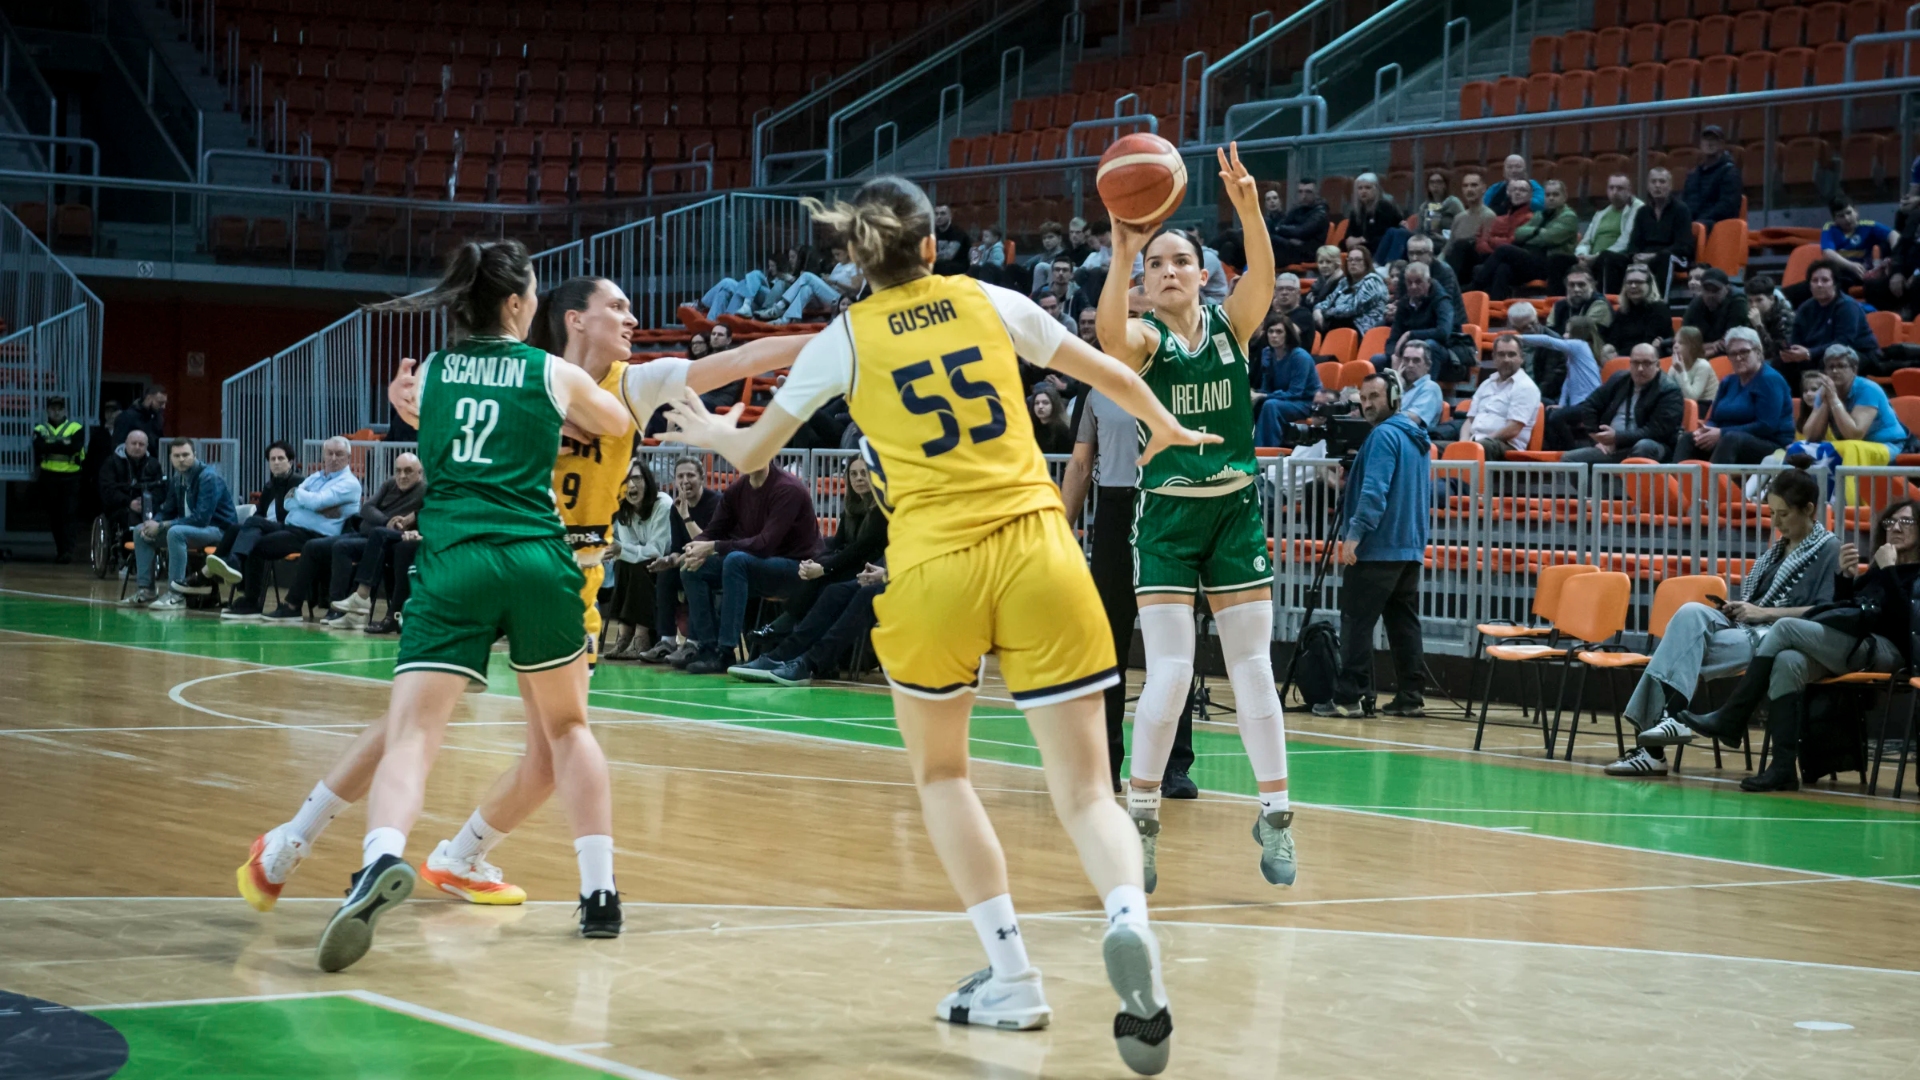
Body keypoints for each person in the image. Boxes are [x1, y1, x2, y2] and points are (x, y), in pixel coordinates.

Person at [661, 173, 1220, 1071]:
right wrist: (1169, 427)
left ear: (857, 258)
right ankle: (1129, 920)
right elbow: (1109, 372)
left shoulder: (846, 337)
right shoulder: (990, 300)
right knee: (1088, 792)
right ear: (930, 246)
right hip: (1039, 551)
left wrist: (709, 430)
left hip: (934, 568)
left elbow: (756, 450)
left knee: (943, 774)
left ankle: (1013, 974)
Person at [250, 240, 637, 974]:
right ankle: (599, 895)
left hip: (454, 560)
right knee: (568, 730)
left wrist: (409, 402)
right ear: (517, 304)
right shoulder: (550, 370)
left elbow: (418, 412)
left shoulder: (431, 372)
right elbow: (616, 423)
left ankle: (380, 858)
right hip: (538, 559)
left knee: (413, 733)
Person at [1096, 146, 1298, 908]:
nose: (1169, 271)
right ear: (1145, 285)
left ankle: (1276, 813)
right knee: (1173, 672)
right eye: (1157, 265)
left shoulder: (1230, 326)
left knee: (1253, 669)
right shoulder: (1147, 341)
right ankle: (1142, 814)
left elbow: (1265, 281)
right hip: (1170, 517)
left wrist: (1249, 211)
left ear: (1204, 273)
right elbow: (1111, 339)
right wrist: (1122, 252)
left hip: (1235, 511)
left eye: (1180, 260)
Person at [1606, 465, 1839, 776]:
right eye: (1772, 513)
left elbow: (1825, 611)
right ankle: (1668, 724)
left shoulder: (1829, 549)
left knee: (1676, 653)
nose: (1776, 522)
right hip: (1749, 625)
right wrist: (1740, 608)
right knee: (1690, 612)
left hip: (1779, 636)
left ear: (1809, 509)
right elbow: (1759, 602)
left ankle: (1654, 748)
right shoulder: (1778, 550)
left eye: (1783, 514)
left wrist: (1764, 613)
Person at [1680, 500, 1920, 791]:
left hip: (1889, 652)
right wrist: (1845, 577)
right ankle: (1782, 769)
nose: (1896, 528)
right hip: (1854, 643)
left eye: (1906, 522)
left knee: (1785, 627)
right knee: (1788, 662)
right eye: (1890, 522)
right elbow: (1848, 609)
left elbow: (1906, 620)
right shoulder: (1880, 568)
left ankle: (1732, 716)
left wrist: (1889, 570)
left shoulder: (1901, 571)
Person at [1060, 388, 1200, 795]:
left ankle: (1174, 766)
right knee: (1107, 645)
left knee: (1173, 646)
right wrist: (1060, 529)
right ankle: (1105, 762)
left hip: (1168, 509)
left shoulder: (1177, 378)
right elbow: (1081, 464)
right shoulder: (1093, 388)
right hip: (1115, 511)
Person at [1317, 372, 1432, 718]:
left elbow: (1374, 492)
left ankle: (1349, 698)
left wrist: (1354, 535)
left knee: (1356, 622)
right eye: (1363, 398)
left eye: (1374, 397)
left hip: (1378, 547)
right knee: (1403, 625)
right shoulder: (1416, 437)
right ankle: (1411, 696)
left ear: (1394, 398)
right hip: (1408, 548)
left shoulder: (1383, 435)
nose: (1367, 405)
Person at [674, 460, 822, 674]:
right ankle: (707, 648)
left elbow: (765, 544)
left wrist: (713, 547)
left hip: (799, 569)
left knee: (736, 561)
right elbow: (713, 531)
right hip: (759, 564)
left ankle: (725, 652)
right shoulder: (738, 489)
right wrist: (693, 550)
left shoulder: (788, 489)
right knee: (690, 568)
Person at [221, 437, 362, 619]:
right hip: (290, 527)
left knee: (257, 545)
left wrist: (304, 498)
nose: (334, 458)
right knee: (253, 523)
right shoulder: (316, 477)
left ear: (348, 458)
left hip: (314, 534)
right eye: (330, 453)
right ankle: (235, 562)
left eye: (339, 454)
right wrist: (313, 503)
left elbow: (315, 501)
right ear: (324, 455)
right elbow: (288, 503)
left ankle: (252, 601)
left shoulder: (349, 483)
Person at [126, 438, 237, 609]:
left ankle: (176, 594)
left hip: (218, 531)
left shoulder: (208, 477)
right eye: (177, 456)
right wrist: (154, 522)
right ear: (171, 458)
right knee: (140, 531)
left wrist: (162, 526)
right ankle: (146, 590)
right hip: (192, 530)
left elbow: (201, 519)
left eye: (185, 455)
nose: (181, 459)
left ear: (195, 455)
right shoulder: (178, 478)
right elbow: (168, 510)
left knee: (175, 532)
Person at [319, 452, 426, 629]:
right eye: (398, 471)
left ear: (420, 473)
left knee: (378, 534)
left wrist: (412, 517)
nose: (402, 476)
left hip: (403, 540)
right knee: (342, 546)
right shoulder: (390, 484)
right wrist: (387, 521)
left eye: (408, 471)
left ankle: (361, 597)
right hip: (380, 537)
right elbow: (367, 508)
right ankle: (342, 611)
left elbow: (436, 511)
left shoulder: (426, 491)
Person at [636, 457, 724, 663]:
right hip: (689, 561)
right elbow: (677, 549)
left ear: (702, 479)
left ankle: (694, 642)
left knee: (690, 567)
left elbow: (706, 544)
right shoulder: (675, 508)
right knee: (666, 573)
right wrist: (669, 560)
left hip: (716, 563)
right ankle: (667, 641)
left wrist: (686, 515)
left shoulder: (716, 502)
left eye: (690, 475)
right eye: (680, 476)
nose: (685, 481)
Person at [1673, 327, 1793, 464]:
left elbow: (1766, 426)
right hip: (1727, 441)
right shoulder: (1728, 381)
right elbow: (1714, 418)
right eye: (1732, 353)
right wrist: (1706, 431)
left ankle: (1716, 479)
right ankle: (1676, 478)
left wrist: (1721, 433)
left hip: (1770, 446)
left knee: (1731, 439)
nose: (1738, 358)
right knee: (1689, 439)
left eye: (1744, 352)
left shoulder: (1770, 380)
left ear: (1758, 352)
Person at [1559, 346, 1683, 463]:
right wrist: (1598, 437)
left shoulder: (1670, 391)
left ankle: (1627, 478)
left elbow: (1656, 432)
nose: (1640, 368)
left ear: (1657, 365)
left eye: (1646, 363)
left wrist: (1617, 437)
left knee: (1644, 446)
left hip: (1654, 446)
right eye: (1635, 363)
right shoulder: (1619, 379)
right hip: (1612, 446)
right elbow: (1590, 405)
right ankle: (1604, 480)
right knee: (1569, 460)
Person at [204, 441, 303, 587]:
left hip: (288, 529)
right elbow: (260, 512)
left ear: (291, 462)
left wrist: (255, 524)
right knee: (234, 528)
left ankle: (225, 566)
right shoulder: (270, 485)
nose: (276, 462)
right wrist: (250, 526)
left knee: (252, 532)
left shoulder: (299, 482)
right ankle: (217, 569)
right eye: (272, 459)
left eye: (281, 458)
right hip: (267, 528)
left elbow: (292, 514)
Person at [1797, 344, 1910, 468]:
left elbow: (1854, 434)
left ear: (1854, 369)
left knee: (1850, 448)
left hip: (1889, 446)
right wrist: (1825, 402)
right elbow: (1810, 436)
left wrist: (1834, 400)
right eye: (1830, 367)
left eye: (1841, 366)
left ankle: (1846, 482)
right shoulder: (1825, 391)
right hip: (1854, 447)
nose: (1835, 371)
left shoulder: (1868, 389)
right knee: (1799, 448)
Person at [602, 466, 672, 660]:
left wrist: (621, 550)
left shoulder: (663, 504)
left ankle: (642, 637)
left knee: (641, 565)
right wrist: (618, 551)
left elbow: (656, 550)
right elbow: (629, 549)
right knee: (623, 564)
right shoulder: (623, 508)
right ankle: (624, 636)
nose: (631, 485)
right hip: (641, 568)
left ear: (647, 482)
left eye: (637, 479)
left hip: (669, 564)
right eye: (625, 481)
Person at [1472, 179, 1578, 299]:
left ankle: (1476, 284)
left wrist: (1530, 237)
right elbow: (1518, 233)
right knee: (1503, 268)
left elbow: (1548, 238)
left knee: (1504, 250)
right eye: (1548, 195)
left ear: (1564, 197)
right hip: (1533, 259)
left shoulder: (1569, 217)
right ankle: (1495, 304)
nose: (1551, 198)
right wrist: (1537, 231)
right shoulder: (1540, 214)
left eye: (1555, 194)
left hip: (1551, 264)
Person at [1787, 195, 1897, 310]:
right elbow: (1827, 253)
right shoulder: (1830, 228)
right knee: (1811, 286)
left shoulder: (1868, 226)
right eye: (1841, 216)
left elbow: (1894, 235)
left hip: (1862, 274)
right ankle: (1782, 299)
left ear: (1856, 211)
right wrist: (1851, 266)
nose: (1847, 219)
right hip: (1840, 272)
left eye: (1849, 213)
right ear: (1835, 219)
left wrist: (1895, 258)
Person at [1598, 167, 1692, 296]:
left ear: (1670, 186)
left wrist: (1654, 255)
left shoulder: (1681, 210)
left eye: (1662, 181)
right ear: (1648, 186)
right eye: (1653, 182)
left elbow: (1683, 246)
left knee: (1665, 257)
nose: (1657, 185)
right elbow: (1634, 243)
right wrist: (1636, 256)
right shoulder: (1642, 211)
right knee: (1609, 257)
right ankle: (1612, 301)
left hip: (1673, 257)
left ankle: (1659, 302)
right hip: (1644, 257)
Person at [1784, 264, 1882, 374]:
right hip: (1819, 353)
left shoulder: (1847, 306)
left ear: (1835, 284)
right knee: (1782, 364)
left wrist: (1809, 353)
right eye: (1815, 281)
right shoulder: (1805, 308)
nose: (1819, 285)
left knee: (1828, 362)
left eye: (1825, 280)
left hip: (1859, 353)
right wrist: (1791, 352)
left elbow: (1843, 343)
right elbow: (1796, 337)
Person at [1461, 335, 1540, 459]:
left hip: (1505, 447)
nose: (1506, 359)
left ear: (1522, 358)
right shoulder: (1486, 384)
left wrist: (1477, 445)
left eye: (1511, 354)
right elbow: (1469, 420)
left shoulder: (1526, 387)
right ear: (1494, 357)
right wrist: (1462, 444)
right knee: (1433, 447)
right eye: (1501, 354)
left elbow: (1513, 429)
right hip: (1476, 442)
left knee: (1484, 447)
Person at [1252, 316, 1327, 447]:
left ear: (1288, 334)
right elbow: (1266, 388)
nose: (1274, 335)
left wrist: (1262, 395)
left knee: (1271, 405)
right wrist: (1254, 395)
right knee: (1250, 403)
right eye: (1271, 331)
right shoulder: (1267, 353)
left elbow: (1295, 393)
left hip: (1307, 403)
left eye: (1279, 332)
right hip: (1283, 399)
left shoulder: (1300, 357)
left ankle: (1268, 450)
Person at [1449, 179, 1531, 289]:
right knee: (1461, 245)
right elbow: (1480, 239)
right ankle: (1452, 287)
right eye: (1514, 189)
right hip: (1488, 254)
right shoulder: (1499, 218)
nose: (1517, 193)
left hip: (1506, 258)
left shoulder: (1530, 218)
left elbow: (1511, 242)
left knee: (1502, 263)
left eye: (1522, 190)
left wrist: (1491, 241)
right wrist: (1490, 244)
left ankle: (1473, 287)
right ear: (1508, 193)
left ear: (1530, 196)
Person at [32, 395, 85, 563]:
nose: (56, 411)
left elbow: (75, 447)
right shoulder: (40, 428)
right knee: (54, 516)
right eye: (53, 408)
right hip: (49, 477)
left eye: (60, 408)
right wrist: (63, 443)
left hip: (71, 477)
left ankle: (67, 551)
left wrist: (51, 445)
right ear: (47, 410)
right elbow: (39, 448)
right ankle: (61, 550)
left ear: (65, 410)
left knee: (69, 514)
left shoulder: (76, 427)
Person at [1519, 315, 1603, 415]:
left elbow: (1548, 341)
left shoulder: (1579, 345)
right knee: (1543, 406)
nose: (1564, 335)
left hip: (1588, 402)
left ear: (1578, 333)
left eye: (1567, 332)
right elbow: (1567, 383)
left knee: (1555, 418)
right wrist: (1561, 405)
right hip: (1579, 403)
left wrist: (1520, 338)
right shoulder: (1574, 356)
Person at [1573, 173, 1643, 291]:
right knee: (1560, 260)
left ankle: (1605, 299)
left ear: (1629, 191)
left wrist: (1596, 257)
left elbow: (1625, 241)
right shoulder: (1601, 213)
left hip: (1619, 258)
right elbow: (1586, 241)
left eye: (1620, 188)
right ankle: (1559, 300)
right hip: (1593, 259)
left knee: (1606, 257)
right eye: (1611, 188)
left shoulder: (1638, 209)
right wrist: (1581, 256)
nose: (1615, 192)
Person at [1384, 261, 1456, 362]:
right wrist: (1394, 355)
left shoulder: (1442, 301)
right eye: (1409, 282)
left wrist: (1410, 334)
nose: (1413, 286)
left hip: (1446, 354)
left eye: (1418, 282)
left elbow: (1443, 333)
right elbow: (1393, 339)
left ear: (1428, 282)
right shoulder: (1404, 303)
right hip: (1410, 354)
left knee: (1429, 345)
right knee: (1378, 360)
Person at [772, 244, 864, 324]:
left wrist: (836, 282)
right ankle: (786, 319)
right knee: (806, 288)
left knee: (807, 276)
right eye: (834, 255)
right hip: (830, 294)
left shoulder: (854, 266)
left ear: (847, 252)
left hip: (841, 299)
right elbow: (831, 283)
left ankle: (782, 304)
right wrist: (826, 280)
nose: (836, 258)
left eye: (838, 254)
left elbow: (856, 288)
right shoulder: (839, 265)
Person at [97, 427, 163, 537]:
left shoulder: (153, 464)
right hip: (120, 507)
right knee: (129, 518)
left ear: (146, 447)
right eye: (134, 443)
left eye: (141, 444)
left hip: (149, 506)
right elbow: (107, 490)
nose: (137, 447)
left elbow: (161, 489)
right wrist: (129, 502)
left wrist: (147, 502)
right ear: (126, 444)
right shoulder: (111, 463)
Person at [1681, 125, 1743, 229]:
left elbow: (1727, 207)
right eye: (1706, 140)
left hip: (1717, 225)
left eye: (1714, 140)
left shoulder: (1730, 173)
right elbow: (1685, 204)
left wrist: (1699, 221)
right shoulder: (1693, 175)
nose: (1709, 143)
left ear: (1722, 144)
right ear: (1701, 144)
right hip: (1695, 224)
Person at [1314, 246, 1388, 335]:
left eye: (1358, 260)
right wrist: (1318, 309)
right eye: (1350, 260)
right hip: (1341, 322)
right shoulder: (1344, 282)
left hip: (1363, 328)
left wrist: (1326, 312)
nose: (1353, 263)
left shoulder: (1373, 281)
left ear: (1366, 262)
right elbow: (1329, 300)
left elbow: (1353, 308)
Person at [1602, 266, 1671, 358]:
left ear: (1649, 285)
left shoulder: (1659, 309)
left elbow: (1648, 343)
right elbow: (1613, 340)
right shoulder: (1622, 311)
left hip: (1648, 358)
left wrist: (1618, 355)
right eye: (1629, 282)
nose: (1633, 286)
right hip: (1621, 358)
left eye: (1639, 282)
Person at [1681, 267, 1749, 355]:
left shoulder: (1738, 301)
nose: (1710, 295)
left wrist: (1703, 348)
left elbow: (1732, 341)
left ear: (1727, 289)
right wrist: (1711, 346)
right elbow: (1683, 341)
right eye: (1706, 290)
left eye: (1715, 290)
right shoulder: (1696, 304)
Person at [1344, 172, 1407, 263]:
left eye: (1368, 188)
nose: (1363, 191)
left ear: (1376, 189)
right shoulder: (1356, 212)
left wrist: (1359, 240)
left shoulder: (1384, 207)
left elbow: (1381, 238)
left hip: (1384, 254)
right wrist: (1360, 240)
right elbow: (1348, 239)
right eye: (1360, 188)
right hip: (1364, 252)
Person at [1440, 172, 1493, 278]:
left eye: (1474, 185)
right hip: (1456, 264)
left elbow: (1485, 251)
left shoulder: (1489, 216)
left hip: (1474, 269)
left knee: (1462, 245)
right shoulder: (1459, 218)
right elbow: (1447, 249)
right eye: (1465, 186)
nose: (1469, 189)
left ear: (1483, 188)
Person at [1269, 177, 1330, 267]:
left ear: (1316, 194)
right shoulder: (1297, 209)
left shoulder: (1320, 212)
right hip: (1293, 248)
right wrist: (1289, 236)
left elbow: (1302, 231)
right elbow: (1281, 225)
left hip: (1308, 254)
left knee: (1270, 240)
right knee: (1265, 235)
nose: (1303, 196)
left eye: (1308, 192)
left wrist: (1280, 229)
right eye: (1300, 192)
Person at [1393, 340, 1446, 433]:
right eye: (1406, 360)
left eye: (1416, 360)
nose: (1410, 365)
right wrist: (1396, 386)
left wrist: (1384, 414)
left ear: (1428, 365)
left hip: (1412, 437)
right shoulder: (1399, 385)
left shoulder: (1430, 388)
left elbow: (1413, 419)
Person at [1406, 170, 1463, 243]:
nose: (1435, 185)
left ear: (1445, 185)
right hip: (1428, 242)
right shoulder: (1424, 206)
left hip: (1449, 242)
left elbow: (1463, 225)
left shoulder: (1453, 203)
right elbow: (1419, 230)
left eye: (1439, 182)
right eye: (1432, 182)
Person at [1032, 254, 1092, 322]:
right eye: (1057, 270)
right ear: (1052, 273)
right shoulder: (1039, 294)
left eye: (1065, 270)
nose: (1060, 273)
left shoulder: (1078, 295)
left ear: (1071, 275)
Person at [1668, 329, 1718, 403]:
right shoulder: (1674, 368)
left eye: (1681, 343)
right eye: (1674, 342)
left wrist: (1681, 372)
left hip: (1708, 405)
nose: (1675, 346)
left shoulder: (1703, 365)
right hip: (1686, 404)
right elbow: (1667, 391)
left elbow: (1692, 398)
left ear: (1693, 347)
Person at [1269, 271, 1316, 342]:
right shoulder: (1271, 313)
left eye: (1290, 289)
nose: (1284, 292)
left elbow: (1284, 337)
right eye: (1280, 289)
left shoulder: (1304, 315)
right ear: (1275, 293)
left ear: (1298, 293)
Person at [1026, 220, 1068, 293]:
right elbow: (1025, 266)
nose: (1047, 241)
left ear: (1059, 239)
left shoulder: (1064, 255)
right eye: (1044, 238)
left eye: (1050, 237)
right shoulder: (1042, 256)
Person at [1030, 384, 1074, 454]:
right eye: (1037, 403)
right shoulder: (1030, 428)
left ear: (1054, 405)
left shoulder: (1062, 431)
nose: (1040, 406)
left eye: (1045, 403)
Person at [932, 202, 969, 276]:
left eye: (943, 214)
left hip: (958, 266)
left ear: (950, 216)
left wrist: (930, 257)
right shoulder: (933, 232)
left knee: (938, 265)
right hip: (941, 264)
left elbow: (948, 256)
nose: (939, 217)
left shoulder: (958, 233)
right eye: (936, 214)